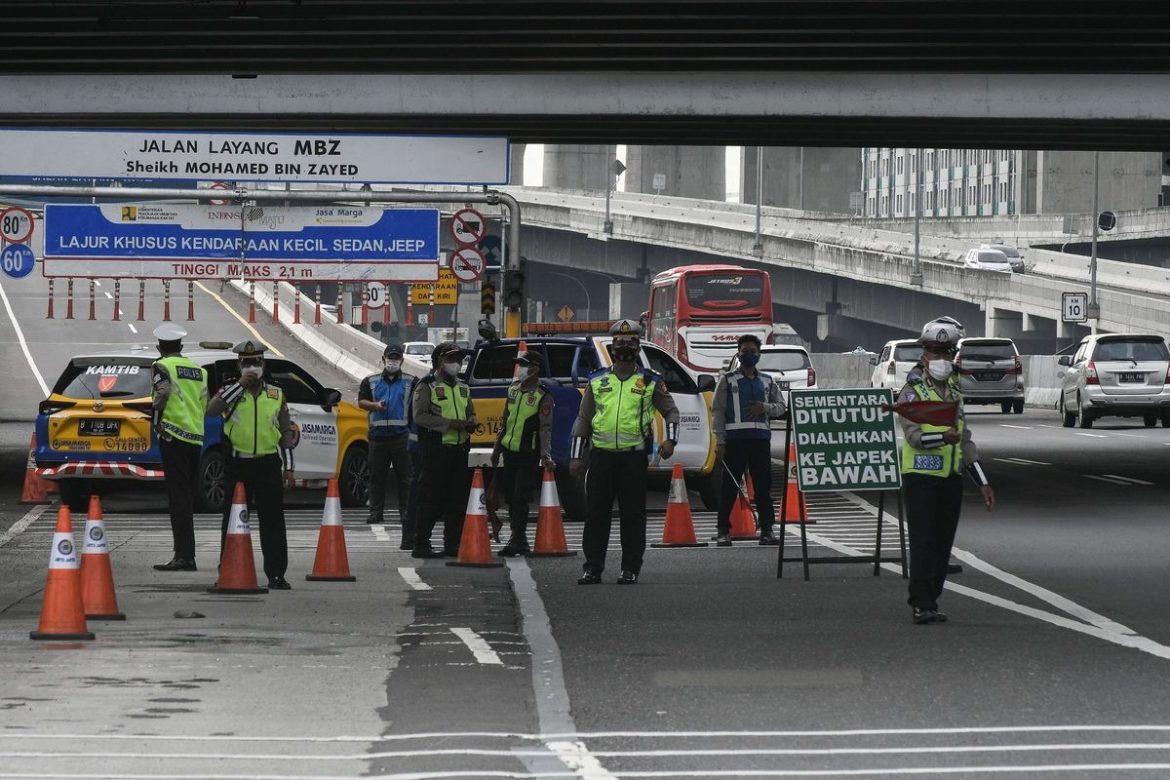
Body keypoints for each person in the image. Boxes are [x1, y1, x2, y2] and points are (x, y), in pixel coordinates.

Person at [898, 316, 995, 625]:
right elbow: (914, 436)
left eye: (946, 353)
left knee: (942, 545)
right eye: (935, 353)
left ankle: (932, 599)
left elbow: (965, 439)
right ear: (924, 355)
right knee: (924, 542)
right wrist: (942, 436)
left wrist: (982, 481)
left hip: (950, 480)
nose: (941, 360)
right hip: (921, 478)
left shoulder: (954, 390)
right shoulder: (912, 391)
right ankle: (921, 603)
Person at [569, 319, 680, 585]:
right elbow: (583, 419)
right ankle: (592, 568)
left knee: (632, 515)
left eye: (630, 342)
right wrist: (576, 456)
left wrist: (670, 442)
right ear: (612, 347)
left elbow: (672, 412)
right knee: (596, 514)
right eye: (620, 342)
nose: (625, 347)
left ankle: (630, 568)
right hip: (601, 458)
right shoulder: (597, 380)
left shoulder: (651, 381)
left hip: (633, 459)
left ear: (638, 346)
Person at [207, 340, 298, 590]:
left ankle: (276, 574)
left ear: (263, 364)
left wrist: (288, 468)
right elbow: (212, 410)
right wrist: (238, 386)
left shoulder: (276, 393)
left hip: (268, 465)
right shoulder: (229, 390)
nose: (252, 367)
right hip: (237, 466)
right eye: (247, 363)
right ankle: (226, 570)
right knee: (233, 521)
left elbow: (285, 432)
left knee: (273, 523)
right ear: (239, 365)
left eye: (256, 362)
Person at [711, 334, 787, 547]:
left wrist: (764, 408)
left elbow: (781, 407)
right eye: (745, 351)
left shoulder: (767, 381)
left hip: (760, 441)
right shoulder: (727, 380)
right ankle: (723, 531)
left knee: (763, 487)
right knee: (729, 488)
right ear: (738, 353)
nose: (749, 355)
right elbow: (717, 410)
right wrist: (720, 441)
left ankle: (767, 530)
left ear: (759, 354)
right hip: (734, 442)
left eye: (753, 351)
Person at [150, 324, 209, 572]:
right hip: (195, 438)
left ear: (159, 348)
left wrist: (155, 416)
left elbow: (162, 393)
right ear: (181, 347)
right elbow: (204, 402)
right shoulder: (199, 371)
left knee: (178, 498)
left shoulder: (161, 366)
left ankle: (184, 556)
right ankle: (186, 553)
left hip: (172, 435)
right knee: (186, 495)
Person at [411, 341, 476, 559]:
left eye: (459, 360)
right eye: (450, 359)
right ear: (439, 361)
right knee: (430, 498)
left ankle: (453, 544)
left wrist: (470, 422)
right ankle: (421, 543)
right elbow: (420, 417)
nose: (456, 364)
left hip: (459, 450)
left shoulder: (464, 387)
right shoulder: (427, 385)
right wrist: (450, 423)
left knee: (457, 500)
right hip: (436, 449)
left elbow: (470, 412)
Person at [490, 350, 555, 557]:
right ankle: (519, 539)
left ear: (535, 368)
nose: (520, 368)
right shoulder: (513, 390)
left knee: (520, 496)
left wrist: (545, 455)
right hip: (510, 452)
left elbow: (545, 428)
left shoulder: (543, 395)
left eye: (524, 365)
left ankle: (517, 538)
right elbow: (505, 421)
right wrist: (497, 448)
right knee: (510, 495)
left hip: (528, 454)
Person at [358, 343, 414, 548]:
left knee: (405, 478)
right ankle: (375, 513)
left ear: (402, 361)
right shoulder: (370, 382)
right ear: (383, 360)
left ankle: (405, 513)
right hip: (378, 437)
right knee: (375, 477)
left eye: (396, 358)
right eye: (390, 358)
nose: (392, 362)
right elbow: (361, 402)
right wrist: (375, 406)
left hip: (401, 437)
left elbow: (415, 408)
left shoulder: (410, 382)